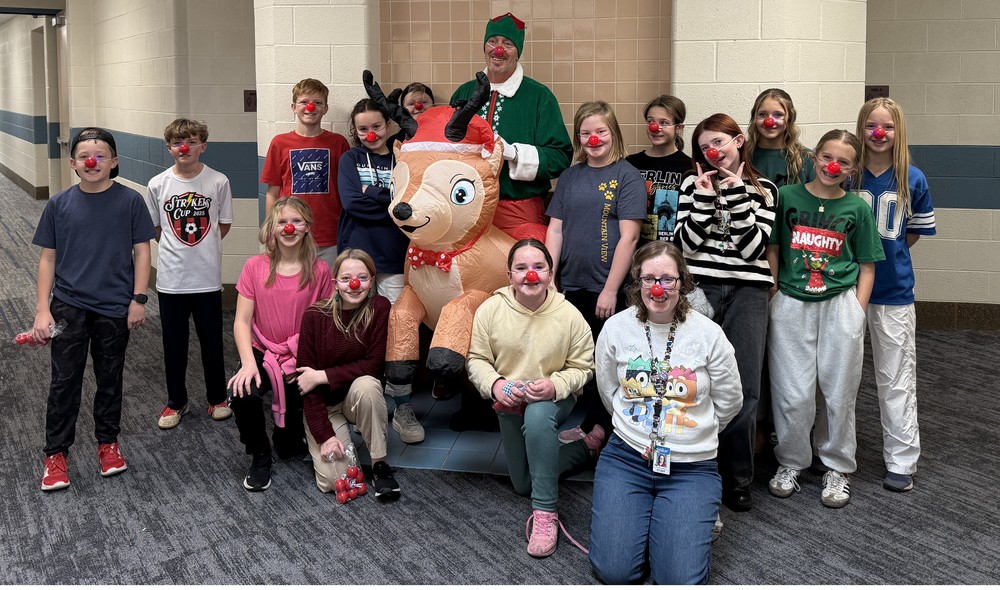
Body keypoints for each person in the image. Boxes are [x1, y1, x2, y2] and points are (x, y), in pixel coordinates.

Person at [589, 241, 743, 584]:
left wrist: (692, 434)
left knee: (678, 579)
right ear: (638, 282)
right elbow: (609, 391)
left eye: (668, 279)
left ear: (682, 283)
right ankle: (653, 524)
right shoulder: (615, 328)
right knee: (614, 572)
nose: (658, 288)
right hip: (627, 459)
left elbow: (730, 400)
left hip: (691, 468)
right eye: (649, 279)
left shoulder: (708, 335)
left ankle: (685, 520)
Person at [766, 130, 885, 509]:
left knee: (839, 391)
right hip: (791, 303)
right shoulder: (786, 198)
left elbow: (867, 265)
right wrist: (774, 291)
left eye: (844, 161)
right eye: (827, 156)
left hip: (839, 305)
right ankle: (791, 461)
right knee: (793, 392)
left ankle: (837, 466)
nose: (833, 165)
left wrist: (857, 310)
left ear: (852, 170)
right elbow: (773, 248)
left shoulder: (857, 209)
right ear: (814, 158)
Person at [35, 128, 156, 491]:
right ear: (73, 164)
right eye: (85, 156)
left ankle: (108, 443)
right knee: (64, 382)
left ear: (114, 162)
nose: (93, 161)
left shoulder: (130, 202)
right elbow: (47, 259)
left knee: (110, 378)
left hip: (115, 308)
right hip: (68, 306)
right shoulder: (58, 204)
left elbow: (143, 252)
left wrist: (138, 299)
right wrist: (43, 308)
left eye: (101, 155)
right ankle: (56, 454)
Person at [466, 239, 597, 558]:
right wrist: (496, 385)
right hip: (507, 401)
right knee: (523, 484)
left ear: (550, 274)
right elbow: (476, 359)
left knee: (538, 415)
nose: (531, 275)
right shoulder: (490, 310)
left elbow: (584, 366)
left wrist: (553, 386)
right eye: (522, 268)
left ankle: (546, 513)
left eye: (538, 267)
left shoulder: (568, 314)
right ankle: (585, 450)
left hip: (553, 398)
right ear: (509, 274)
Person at [675, 113, 778, 513]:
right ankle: (697, 469)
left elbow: (753, 249)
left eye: (718, 141)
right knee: (693, 377)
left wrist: (735, 195)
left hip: (749, 292)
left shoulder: (764, 189)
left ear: (738, 141)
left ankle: (738, 475)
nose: (712, 151)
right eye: (703, 148)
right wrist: (703, 198)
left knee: (744, 383)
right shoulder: (690, 185)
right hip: (700, 289)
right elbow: (684, 244)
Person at [546, 101, 646, 452]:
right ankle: (593, 421)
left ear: (613, 133)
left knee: (610, 362)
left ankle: (605, 430)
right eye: (585, 132)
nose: (593, 138)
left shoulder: (626, 175)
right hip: (571, 285)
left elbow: (630, 237)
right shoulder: (570, 177)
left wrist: (610, 290)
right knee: (584, 360)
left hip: (608, 288)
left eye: (600, 131)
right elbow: (555, 231)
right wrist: (549, 279)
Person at [850, 98, 936, 493]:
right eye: (871, 126)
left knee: (896, 376)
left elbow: (912, 234)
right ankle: (833, 453)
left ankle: (902, 459)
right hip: (843, 289)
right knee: (839, 376)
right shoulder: (848, 174)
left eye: (887, 126)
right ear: (861, 128)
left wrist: (887, 258)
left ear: (899, 131)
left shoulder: (912, 178)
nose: (878, 134)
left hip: (893, 291)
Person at [227, 197, 333, 492]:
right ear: (272, 228)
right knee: (242, 393)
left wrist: (305, 359)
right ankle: (259, 456)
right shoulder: (254, 266)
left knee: (288, 444)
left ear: (308, 227)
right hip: (262, 352)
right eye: (283, 221)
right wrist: (248, 363)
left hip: (301, 355)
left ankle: (286, 436)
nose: (289, 227)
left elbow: (324, 323)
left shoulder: (320, 270)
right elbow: (241, 322)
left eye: (297, 221)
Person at [451, 12, 573, 242]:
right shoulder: (463, 93)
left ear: (518, 52)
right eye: (492, 41)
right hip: (466, 209)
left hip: (519, 213)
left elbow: (560, 157)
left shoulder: (539, 97)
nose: (498, 49)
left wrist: (515, 153)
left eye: (507, 44)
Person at [146, 118, 234, 430]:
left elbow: (222, 225)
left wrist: (203, 250)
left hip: (207, 278)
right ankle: (176, 401)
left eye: (192, 141)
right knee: (174, 344)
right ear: (169, 148)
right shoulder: (157, 185)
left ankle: (217, 397)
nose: (185, 147)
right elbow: (157, 228)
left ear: (203, 146)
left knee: (212, 341)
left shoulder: (218, 181)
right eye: (177, 142)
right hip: (171, 280)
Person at [296, 249, 401, 499]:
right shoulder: (314, 317)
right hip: (327, 405)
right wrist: (325, 436)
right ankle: (325, 436)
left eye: (362, 278)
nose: (354, 285)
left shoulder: (379, 307)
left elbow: (373, 366)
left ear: (372, 281)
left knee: (368, 385)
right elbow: (306, 385)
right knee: (336, 482)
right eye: (346, 279)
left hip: (358, 397)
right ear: (335, 284)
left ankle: (379, 465)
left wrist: (322, 376)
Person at [260, 78, 350, 267]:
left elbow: (345, 191)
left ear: (325, 108)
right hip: (291, 233)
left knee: (327, 292)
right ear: (294, 107)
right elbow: (272, 192)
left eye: (318, 103)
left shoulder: (338, 143)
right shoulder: (280, 143)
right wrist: (271, 230)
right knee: (294, 289)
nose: (310, 107)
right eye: (304, 102)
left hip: (330, 235)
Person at [337, 99, 409, 304]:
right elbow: (351, 203)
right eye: (363, 129)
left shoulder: (402, 159)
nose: (371, 134)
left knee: (392, 320)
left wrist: (370, 191)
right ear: (356, 131)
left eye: (376, 126)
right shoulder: (350, 159)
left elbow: (407, 200)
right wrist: (392, 204)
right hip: (356, 254)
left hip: (394, 255)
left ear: (388, 125)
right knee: (357, 318)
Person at [626, 95, 693, 244]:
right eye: (651, 121)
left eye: (664, 122)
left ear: (679, 128)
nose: (654, 128)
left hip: (673, 251)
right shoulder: (630, 164)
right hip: (635, 250)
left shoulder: (690, 167)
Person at [746, 88, 816, 188]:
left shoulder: (806, 158)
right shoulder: (742, 155)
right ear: (754, 118)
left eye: (778, 115)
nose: (769, 121)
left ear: (790, 118)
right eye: (762, 114)